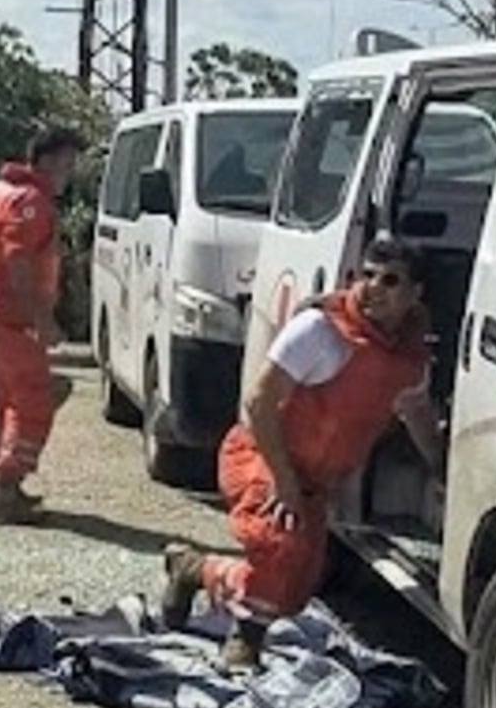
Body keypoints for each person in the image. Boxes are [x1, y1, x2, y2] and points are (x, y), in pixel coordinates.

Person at [158, 236, 439, 669]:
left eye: (390, 280)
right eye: (365, 275)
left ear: (416, 294)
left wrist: (441, 468)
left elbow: (416, 412)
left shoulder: (409, 357)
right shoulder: (319, 330)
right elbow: (258, 404)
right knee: (279, 542)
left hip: (311, 479)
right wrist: (282, 480)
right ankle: (245, 640)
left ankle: (194, 569)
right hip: (260, 455)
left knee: (294, 591)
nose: (372, 288)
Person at [0, 127, 85, 524]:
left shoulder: (1, 192)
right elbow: (17, 263)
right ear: (48, 161)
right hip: (14, 317)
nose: (69, 173)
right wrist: (43, 319)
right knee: (35, 401)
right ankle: (6, 485)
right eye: (68, 163)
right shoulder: (31, 201)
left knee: (6, 401)